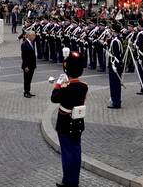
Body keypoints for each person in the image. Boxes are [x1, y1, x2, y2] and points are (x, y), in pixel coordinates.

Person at [50, 51, 88, 187]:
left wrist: (59, 83)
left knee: (67, 153)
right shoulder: (84, 86)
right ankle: (74, 181)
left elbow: (54, 98)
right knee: (76, 151)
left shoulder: (66, 86)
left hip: (65, 123)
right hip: (78, 122)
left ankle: (68, 181)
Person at [107, 25, 124, 109]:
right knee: (115, 84)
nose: (111, 32)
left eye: (112, 31)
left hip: (114, 66)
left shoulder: (115, 41)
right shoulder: (117, 40)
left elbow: (117, 55)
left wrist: (114, 65)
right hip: (116, 65)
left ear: (114, 31)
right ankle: (116, 100)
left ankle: (116, 102)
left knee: (114, 84)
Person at [21, 30, 37, 98]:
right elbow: (24, 56)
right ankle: (26, 92)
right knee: (26, 79)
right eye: (33, 35)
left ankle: (28, 91)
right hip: (27, 65)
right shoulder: (24, 44)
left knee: (29, 79)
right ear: (29, 36)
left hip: (32, 65)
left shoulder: (31, 42)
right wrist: (26, 66)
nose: (34, 36)